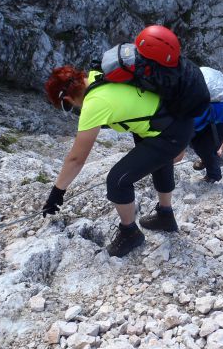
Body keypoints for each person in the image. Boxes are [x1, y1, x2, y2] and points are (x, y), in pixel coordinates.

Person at [41, 30, 195, 258]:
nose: (72, 109)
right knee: (159, 161)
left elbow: (76, 158)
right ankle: (165, 215)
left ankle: (129, 232)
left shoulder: (93, 104)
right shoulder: (99, 74)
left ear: (67, 99)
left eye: (67, 106)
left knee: (117, 181)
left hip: (169, 131)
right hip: (174, 122)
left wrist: (57, 192)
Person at [185, 91, 223, 183]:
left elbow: (179, 148)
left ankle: (213, 175)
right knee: (196, 141)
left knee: (203, 146)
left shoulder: (187, 117)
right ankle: (206, 160)